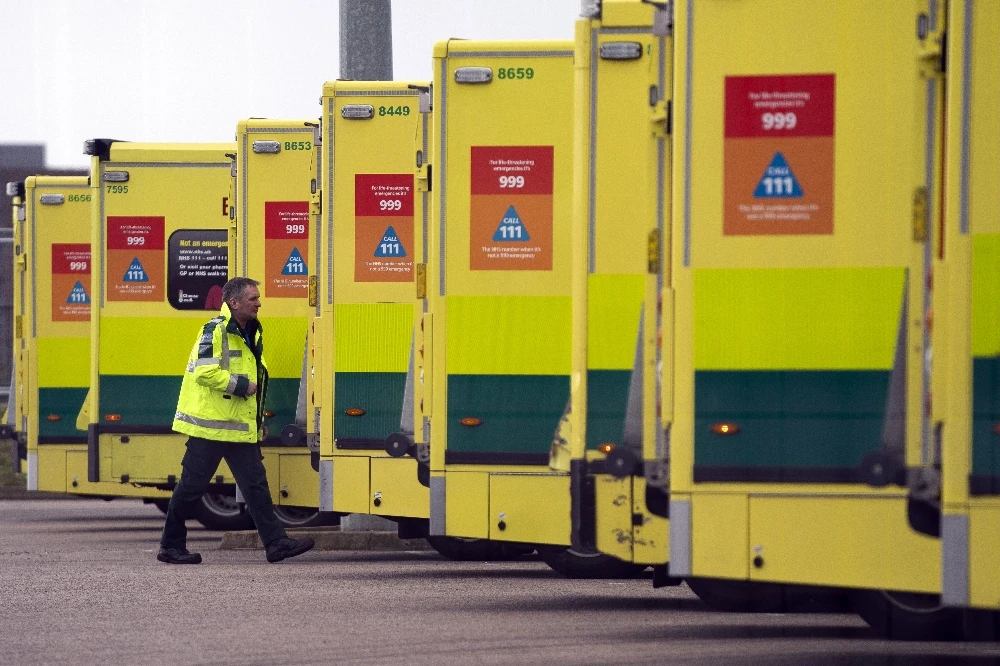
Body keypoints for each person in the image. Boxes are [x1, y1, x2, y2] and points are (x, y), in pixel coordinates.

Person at [157, 277, 314, 564]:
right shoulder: (213, 331)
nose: (259, 303)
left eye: (258, 298)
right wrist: (240, 385)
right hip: (210, 428)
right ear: (235, 302)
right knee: (191, 488)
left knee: (256, 485)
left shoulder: (249, 332)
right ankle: (170, 546)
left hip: (238, 428)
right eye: (253, 298)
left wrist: (256, 422)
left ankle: (276, 544)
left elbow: (259, 382)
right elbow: (204, 373)